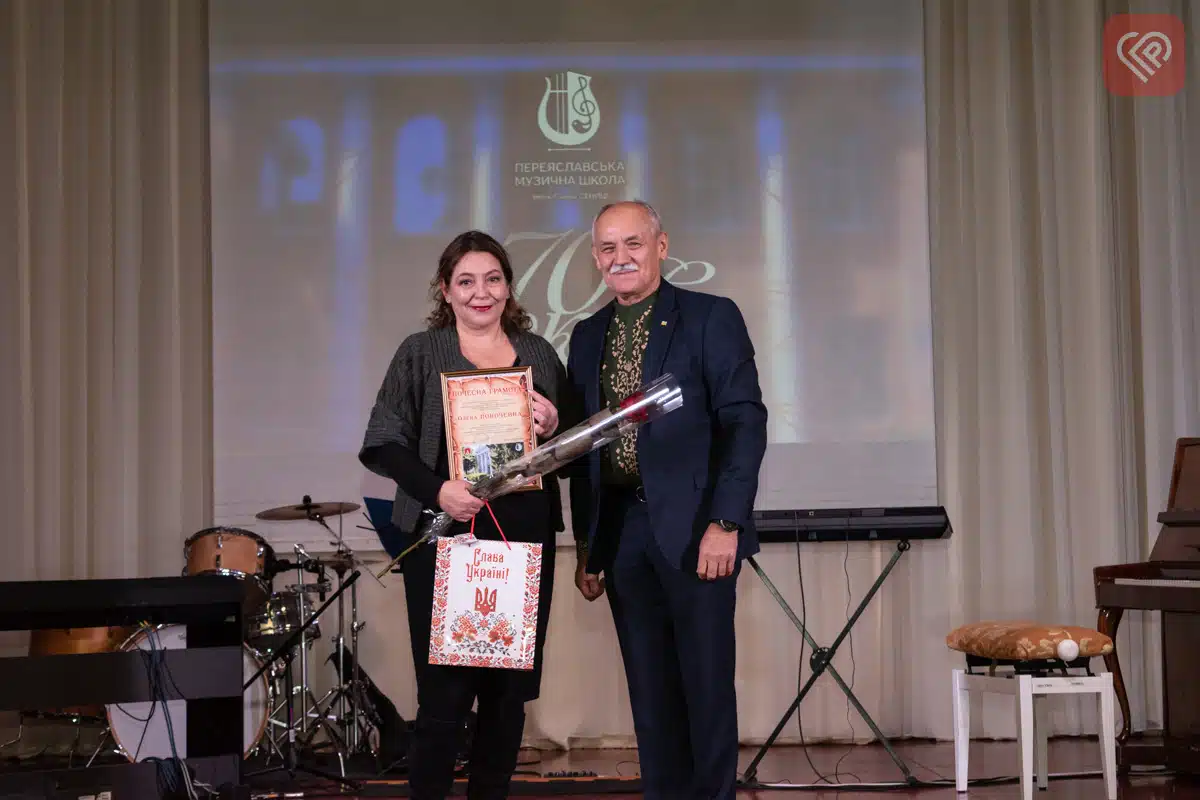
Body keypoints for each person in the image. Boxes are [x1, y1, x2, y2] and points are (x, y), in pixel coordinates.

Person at [566, 200, 768, 799]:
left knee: (706, 690)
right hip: (622, 534)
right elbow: (586, 448)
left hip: (699, 529)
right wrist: (588, 546)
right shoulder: (587, 335)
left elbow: (745, 423)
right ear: (595, 257)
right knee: (650, 698)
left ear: (661, 245)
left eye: (633, 243)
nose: (620, 257)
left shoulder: (709, 317)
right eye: (607, 247)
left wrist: (726, 521)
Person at [359, 230, 566, 799]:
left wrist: (553, 425)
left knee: (507, 695)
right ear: (445, 290)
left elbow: (569, 449)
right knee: (444, 695)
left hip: (522, 541)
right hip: (444, 536)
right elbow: (384, 442)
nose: (481, 292)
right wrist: (438, 490)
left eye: (493, 279)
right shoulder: (420, 352)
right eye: (466, 281)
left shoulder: (539, 354)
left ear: (509, 288)